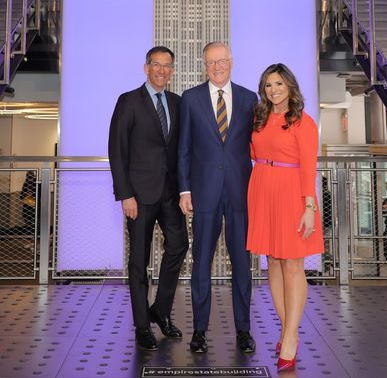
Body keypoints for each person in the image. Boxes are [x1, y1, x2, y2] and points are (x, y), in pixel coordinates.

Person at [178, 42, 258, 354]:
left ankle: (243, 330)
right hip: (203, 195)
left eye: (221, 61)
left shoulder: (251, 99)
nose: (217, 67)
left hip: (240, 194)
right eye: (211, 62)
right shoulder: (191, 99)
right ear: (204, 65)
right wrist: (184, 190)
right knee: (201, 265)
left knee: (242, 264)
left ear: (231, 62)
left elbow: (258, 146)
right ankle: (199, 331)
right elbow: (183, 149)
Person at [109, 46, 189, 351]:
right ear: (146, 68)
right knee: (139, 261)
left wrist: (185, 189)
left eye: (168, 66)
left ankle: (160, 309)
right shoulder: (129, 101)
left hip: (171, 193)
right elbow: (117, 150)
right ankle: (142, 325)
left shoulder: (178, 103)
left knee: (179, 245)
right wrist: (125, 194)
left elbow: (181, 149)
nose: (162, 71)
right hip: (138, 197)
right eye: (157, 65)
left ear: (172, 71)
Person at [247, 63, 322, 372]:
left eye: (278, 84)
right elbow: (252, 152)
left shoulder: (304, 122)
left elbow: (308, 166)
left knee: (292, 265)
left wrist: (309, 207)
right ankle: (286, 329)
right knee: (273, 263)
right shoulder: (260, 117)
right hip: (263, 189)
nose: (273, 90)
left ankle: (290, 337)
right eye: (268, 85)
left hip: (293, 194)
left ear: (290, 86)